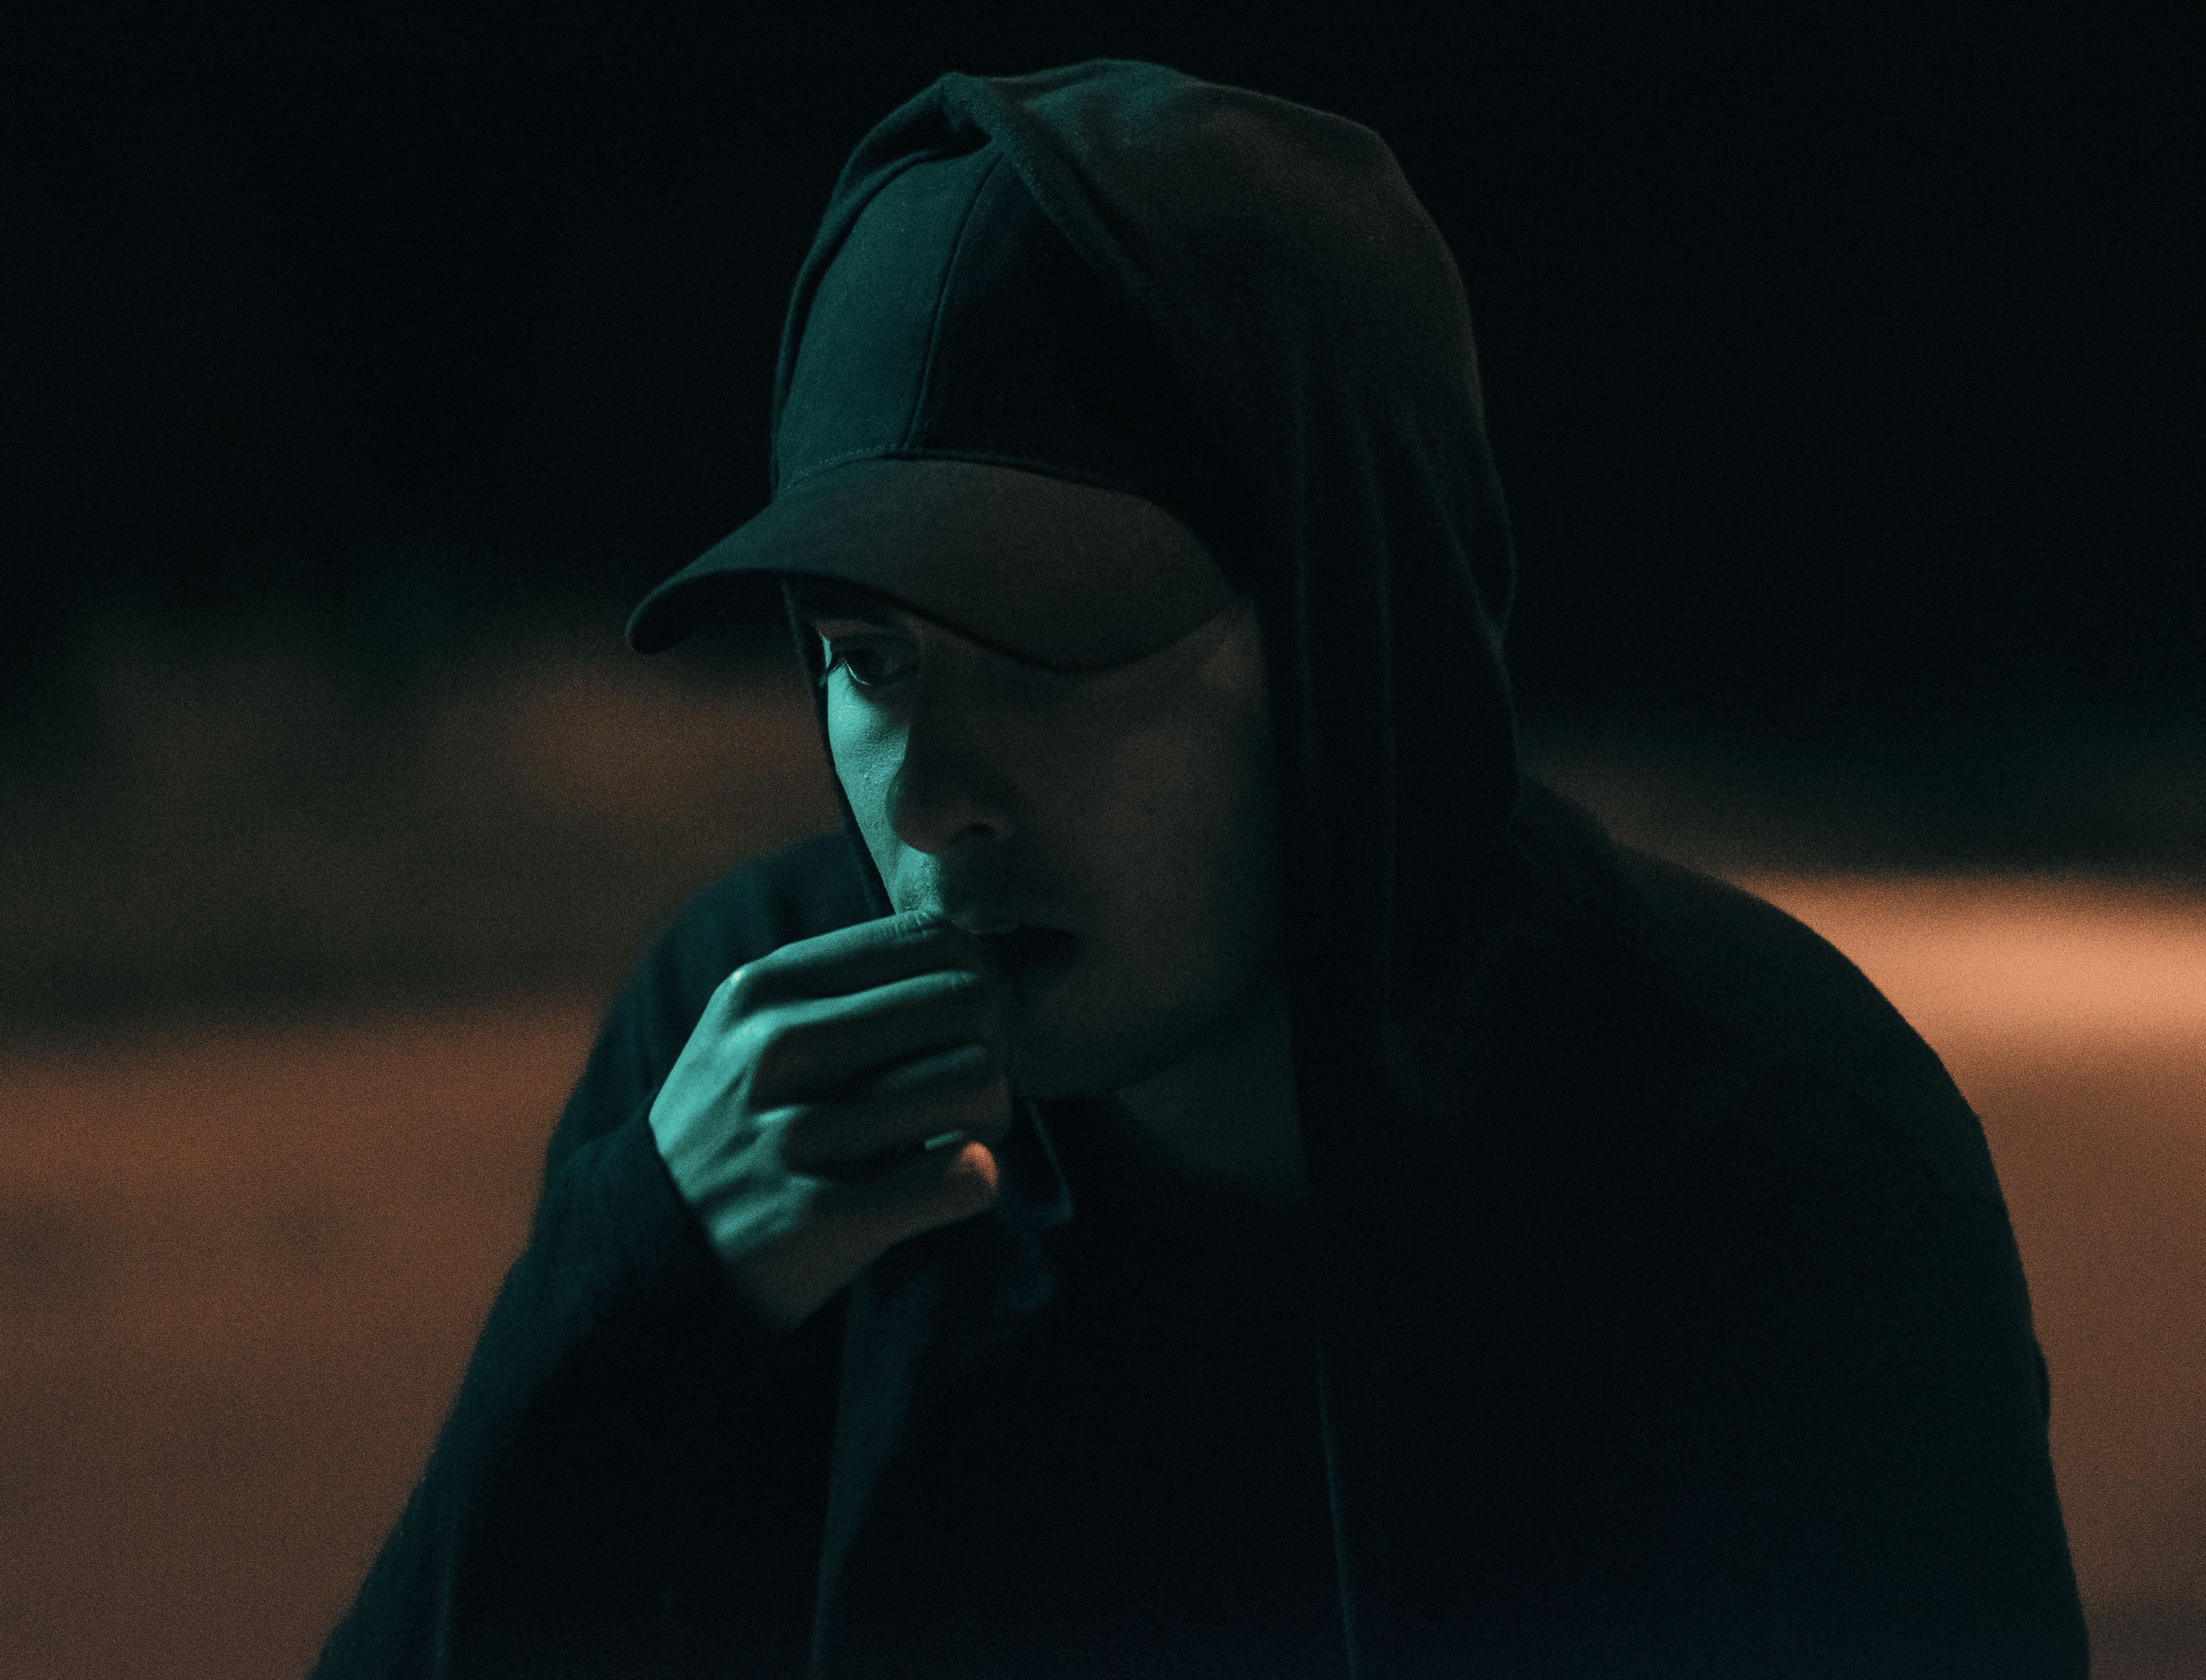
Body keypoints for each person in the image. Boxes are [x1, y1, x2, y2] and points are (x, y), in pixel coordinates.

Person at [311, 60, 2087, 1678]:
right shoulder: (757, 1070)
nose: (932, 804)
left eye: (1053, 655)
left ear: (1358, 635)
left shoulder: (1764, 1160)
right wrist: (636, 1294)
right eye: (868, 656)